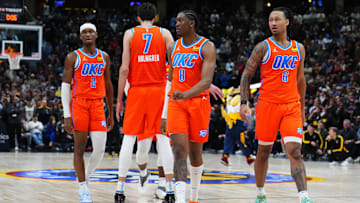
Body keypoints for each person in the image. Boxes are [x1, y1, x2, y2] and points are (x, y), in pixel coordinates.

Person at [239, 7, 312, 203]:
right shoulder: (262, 47)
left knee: (295, 151)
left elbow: (300, 80)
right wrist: (243, 102)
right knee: (263, 152)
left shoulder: (299, 48)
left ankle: (303, 195)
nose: (273, 23)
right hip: (267, 105)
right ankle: (261, 192)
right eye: (271, 20)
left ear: (287, 22)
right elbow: (246, 75)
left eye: (277, 19)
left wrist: (303, 108)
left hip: (291, 105)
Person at [114, 3, 175, 202]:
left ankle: (120, 189)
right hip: (159, 91)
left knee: (128, 139)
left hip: (136, 91)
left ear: (138, 18)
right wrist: (171, 89)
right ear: (155, 18)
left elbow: (124, 68)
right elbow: (174, 64)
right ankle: (171, 188)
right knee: (164, 139)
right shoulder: (165, 33)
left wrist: (119, 99)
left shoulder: (130, 34)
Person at [165, 9, 216, 203]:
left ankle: (193, 197)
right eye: (176, 21)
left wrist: (185, 94)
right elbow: (170, 79)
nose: (176, 24)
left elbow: (205, 82)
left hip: (199, 103)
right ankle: (179, 199)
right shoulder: (172, 48)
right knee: (179, 150)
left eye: (181, 21)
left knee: (195, 154)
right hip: (176, 104)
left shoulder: (207, 46)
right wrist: (164, 112)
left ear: (192, 23)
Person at [61, 22, 114, 203]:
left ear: (97, 34)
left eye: (91, 31)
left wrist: (111, 112)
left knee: (99, 150)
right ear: (81, 36)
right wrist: (66, 115)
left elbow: (108, 85)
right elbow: (65, 87)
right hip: (79, 105)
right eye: (84, 32)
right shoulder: (72, 57)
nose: (88, 34)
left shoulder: (104, 57)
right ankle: (83, 188)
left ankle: (85, 178)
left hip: (98, 105)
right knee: (79, 148)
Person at [220, 87, 255, 166]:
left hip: (230, 124)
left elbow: (228, 97)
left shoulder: (229, 100)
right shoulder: (243, 101)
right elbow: (247, 112)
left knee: (229, 141)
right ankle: (248, 157)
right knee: (242, 141)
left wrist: (230, 93)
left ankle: (224, 157)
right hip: (238, 123)